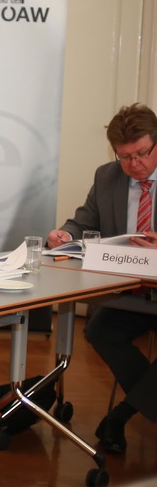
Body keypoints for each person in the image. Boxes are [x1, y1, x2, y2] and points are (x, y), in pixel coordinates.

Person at [48, 102, 157, 454]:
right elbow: (82, 223)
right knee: (99, 330)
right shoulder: (107, 176)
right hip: (127, 290)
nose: (134, 164)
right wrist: (65, 234)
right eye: (124, 157)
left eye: (141, 154)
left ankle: (121, 415)